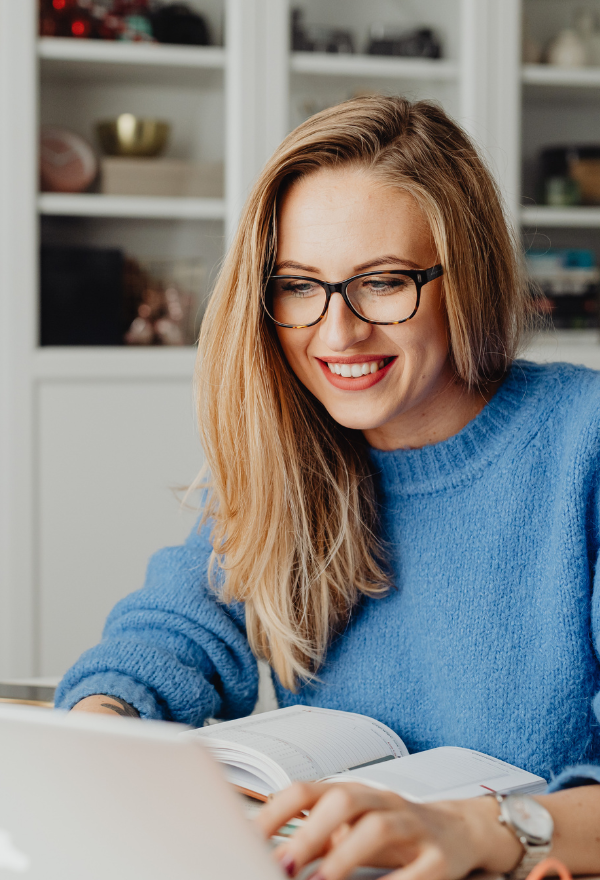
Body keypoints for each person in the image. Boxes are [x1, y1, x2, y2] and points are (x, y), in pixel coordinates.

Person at [55, 96, 600, 879]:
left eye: (381, 282)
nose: (336, 333)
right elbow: (167, 637)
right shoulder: (295, 452)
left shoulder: (583, 442)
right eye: (299, 285)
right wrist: (98, 733)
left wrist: (482, 831)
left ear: (466, 276)